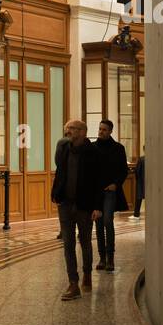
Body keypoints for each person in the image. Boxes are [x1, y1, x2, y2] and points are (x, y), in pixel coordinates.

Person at [50, 119, 104, 300]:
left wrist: (97, 206)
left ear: (82, 131)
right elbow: (60, 171)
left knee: (85, 241)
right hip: (65, 203)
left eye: (72, 128)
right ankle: (73, 283)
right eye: (66, 128)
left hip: (85, 205)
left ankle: (87, 273)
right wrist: (55, 194)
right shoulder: (64, 148)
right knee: (68, 243)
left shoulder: (94, 152)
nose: (67, 131)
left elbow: (98, 181)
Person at [92, 119, 129, 272]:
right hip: (96, 192)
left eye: (104, 130)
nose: (101, 132)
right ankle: (102, 258)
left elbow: (123, 170)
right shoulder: (93, 148)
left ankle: (111, 257)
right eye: (100, 129)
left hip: (110, 191)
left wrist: (116, 184)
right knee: (99, 224)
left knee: (108, 221)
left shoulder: (118, 148)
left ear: (110, 131)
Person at [53, 131, 70, 240]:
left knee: (63, 207)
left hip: (62, 179)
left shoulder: (61, 142)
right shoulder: (82, 143)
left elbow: (57, 161)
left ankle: (64, 230)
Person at [130, 151, 145, 220]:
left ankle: (136, 215)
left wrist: (137, 179)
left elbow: (137, 171)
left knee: (138, 198)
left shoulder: (141, 159)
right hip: (150, 182)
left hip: (141, 181)